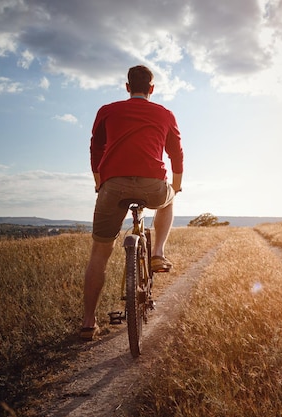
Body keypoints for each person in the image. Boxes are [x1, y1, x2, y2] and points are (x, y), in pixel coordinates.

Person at [80, 65, 184, 341]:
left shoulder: (107, 110)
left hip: (112, 185)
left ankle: (88, 323)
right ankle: (158, 252)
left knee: (99, 254)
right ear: (152, 88)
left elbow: (96, 149)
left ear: (127, 87)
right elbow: (176, 153)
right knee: (169, 199)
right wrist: (176, 185)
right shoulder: (165, 114)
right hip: (153, 184)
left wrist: (99, 181)